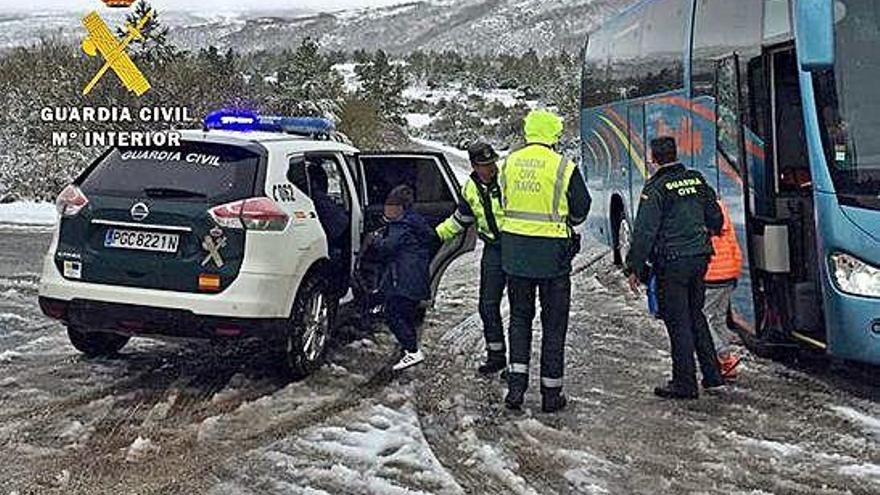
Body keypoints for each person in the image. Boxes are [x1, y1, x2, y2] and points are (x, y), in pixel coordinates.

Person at [499, 109, 591, 413]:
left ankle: (515, 387)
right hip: (553, 259)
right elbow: (581, 209)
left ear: (528, 132)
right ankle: (551, 394)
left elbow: (504, 201)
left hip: (515, 256)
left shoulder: (509, 163)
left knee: (519, 320)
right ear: (554, 134)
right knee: (554, 325)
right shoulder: (563, 166)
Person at [625, 136, 725, 400]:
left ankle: (685, 382)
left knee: (677, 321)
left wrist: (633, 267)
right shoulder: (696, 179)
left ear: (653, 158)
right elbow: (716, 218)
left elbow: (645, 231)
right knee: (696, 314)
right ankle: (713, 375)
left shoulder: (656, 188)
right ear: (675, 153)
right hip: (700, 259)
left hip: (672, 262)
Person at [436, 141, 507, 375]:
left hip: (517, 248)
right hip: (493, 250)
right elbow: (460, 220)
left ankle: (518, 365)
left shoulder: (508, 181)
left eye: (492, 163)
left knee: (519, 309)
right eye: (484, 165)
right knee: (487, 306)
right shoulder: (469, 189)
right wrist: (435, 235)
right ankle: (496, 355)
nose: (490, 168)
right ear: (474, 166)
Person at [363, 185, 433, 371]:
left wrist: (374, 239)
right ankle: (408, 346)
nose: (388, 211)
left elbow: (387, 248)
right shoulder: (416, 222)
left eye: (392, 208)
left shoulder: (400, 226)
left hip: (403, 280)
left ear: (400, 209)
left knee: (393, 313)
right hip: (415, 278)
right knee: (406, 313)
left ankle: (412, 351)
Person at [704, 199, 744, 379]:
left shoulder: (699, 212)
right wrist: (736, 269)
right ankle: (726, 365)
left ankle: (723, 355)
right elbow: (733, 242)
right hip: (728, 272)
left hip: (712, 273)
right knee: (719, 318)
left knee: (704, 318)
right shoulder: (722, 209)